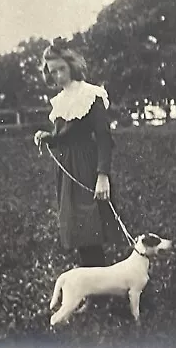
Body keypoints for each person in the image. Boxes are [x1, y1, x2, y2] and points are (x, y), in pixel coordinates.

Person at [34, 38, 122, 268]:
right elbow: (63, 136)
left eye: (62, 68)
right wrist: (48, 137)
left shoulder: (90, 94)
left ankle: (100, 292)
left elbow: (103, 137)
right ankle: (95, 292)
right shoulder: (60, 101)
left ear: (71, 65)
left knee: (90, 228)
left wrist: (102, 175)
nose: (58, 75)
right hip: (66, 169)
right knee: (77, 230)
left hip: (86, 166)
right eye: (53, 72)